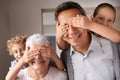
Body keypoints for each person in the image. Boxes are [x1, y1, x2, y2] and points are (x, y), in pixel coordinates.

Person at [55, 1, 120, 80]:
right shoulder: (65, 56)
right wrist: (58, 37)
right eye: (65, 26)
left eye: (75, 23)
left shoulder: (114, 47)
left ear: (85, 21)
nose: (71, 31)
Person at [56, 2, 120, 50]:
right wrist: (58, 36)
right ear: (92, 19)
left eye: (109, 20)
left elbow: (118, 37)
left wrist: (90, 24)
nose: (105, 23)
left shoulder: (111, 38)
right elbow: (63, 47)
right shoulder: (87, 30)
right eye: (101, 18)